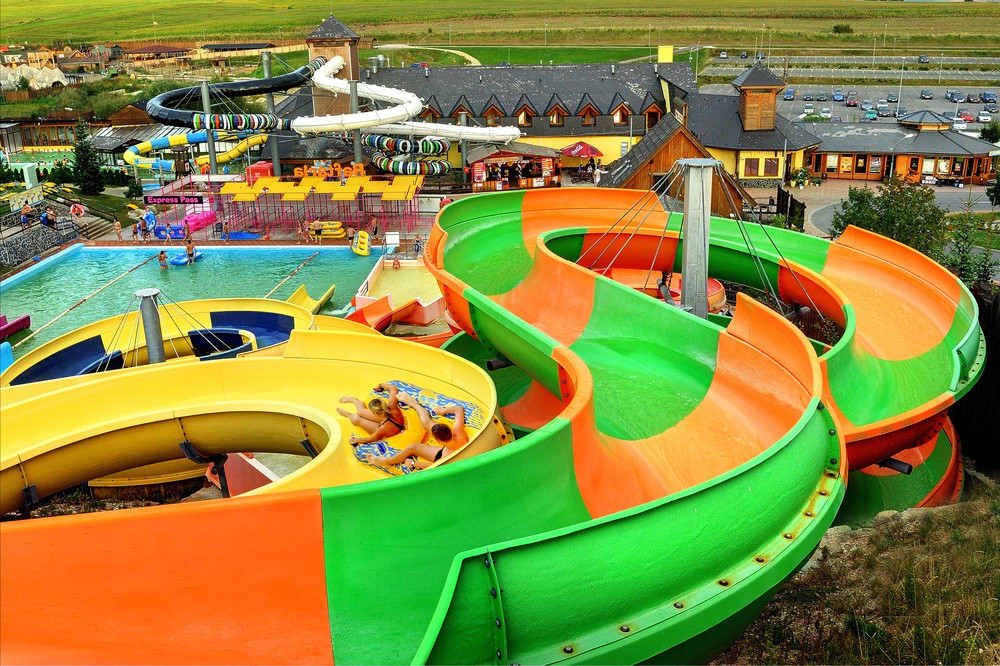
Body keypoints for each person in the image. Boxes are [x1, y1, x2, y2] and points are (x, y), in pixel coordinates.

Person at [366, 395, 469, 469]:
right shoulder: (458, 431)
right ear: (450, 430)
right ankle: (413, 403)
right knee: (425, 426)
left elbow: (435, 466)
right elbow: (459, 409)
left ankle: (386, 462)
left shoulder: (445, 458)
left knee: (412, 448)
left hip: (449, 456)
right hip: (454, 448)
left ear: (438, 441)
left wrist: (413, 463)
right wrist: (443, 410)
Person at [337, 384, 406, 445]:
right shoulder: (392, 405)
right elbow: (393, 388)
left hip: (390, 428)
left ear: (375, 413)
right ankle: (355, 401)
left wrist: (356, 440)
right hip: (390, 420)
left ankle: (348, 415)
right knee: (361, 412)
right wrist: (380, 385)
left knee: (356, 419)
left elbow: (369, 439)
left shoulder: (382, 429)